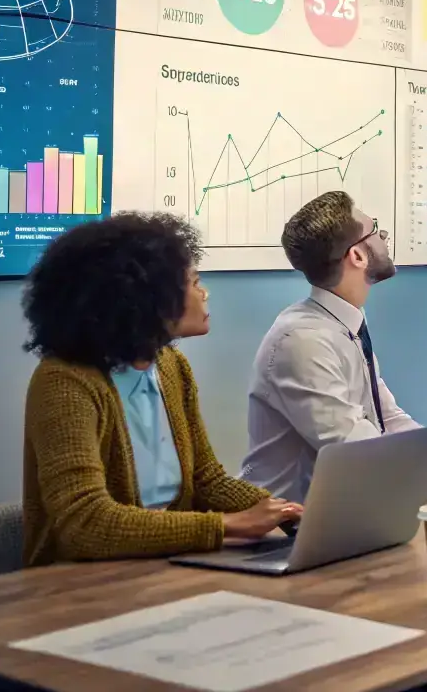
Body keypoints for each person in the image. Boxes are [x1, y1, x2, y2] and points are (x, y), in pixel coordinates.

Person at [22, 213, 301, 567]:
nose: (205, 293)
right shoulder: (65, 382)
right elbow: (85, 524)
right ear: (145, 298)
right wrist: (226, 525)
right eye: (194, 282)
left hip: (166, 567)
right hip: (76, 585)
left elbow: (206, 480)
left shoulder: (171, 367)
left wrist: (283, 512)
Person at [241, 191, 427, 506]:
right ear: (358, 257)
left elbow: (386, 418)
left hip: (347, 510)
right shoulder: (303, 341)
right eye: (374, 229)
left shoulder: (343, 322)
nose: (384, 236)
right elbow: (355, 452)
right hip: (284, 530)